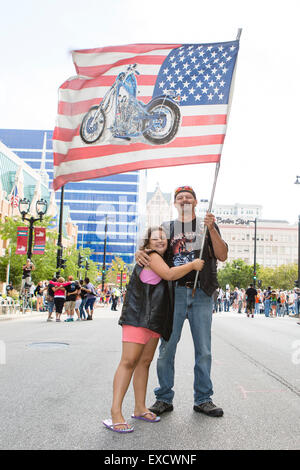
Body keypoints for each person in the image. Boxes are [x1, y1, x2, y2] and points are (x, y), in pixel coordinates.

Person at [135, 186, 228, 418]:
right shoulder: (167, 228)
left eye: (188, 197)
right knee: (167, 348)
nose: (184, 199)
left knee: (204, 350)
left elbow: (222, 254)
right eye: (179, 197)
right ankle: (164, 398)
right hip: (173, 292)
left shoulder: (208, 225)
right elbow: (152, 249)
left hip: (201, 293)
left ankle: (203, 399)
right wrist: (140, 253)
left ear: (196, 202)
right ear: (175, 203)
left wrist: (211, 230)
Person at [103, 226, 204, 433]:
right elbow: (168, 275)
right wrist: (193, 265)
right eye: (155, 238)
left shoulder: (159, 257)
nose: (160, 241)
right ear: (147, 243)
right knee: (129, 362)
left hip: (154, 320)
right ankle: (115, 413)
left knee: (144, 363)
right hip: (138, 317)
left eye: (164, 238)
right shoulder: (151, 256)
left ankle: (140, 408)